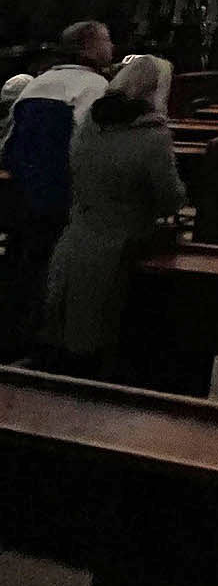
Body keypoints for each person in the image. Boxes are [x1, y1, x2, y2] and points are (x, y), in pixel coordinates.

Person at [44, 55, 185, 375]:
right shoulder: (153, 135)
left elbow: (76, 170)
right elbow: (169, 199)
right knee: (106, 332)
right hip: (122, 245)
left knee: (67, 329)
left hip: (76, 235)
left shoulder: (90, 123)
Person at [3, 22, 113, 346]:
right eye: (106, 40)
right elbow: (89, 146)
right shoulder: (95, 88)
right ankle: (47, 339)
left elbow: (10, 142)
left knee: (23, 261)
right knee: (52, 271)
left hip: (22, 193)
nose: (112, 47)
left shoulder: (37, 84)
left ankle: (13, 330)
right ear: (87, 47)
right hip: (66, 195)